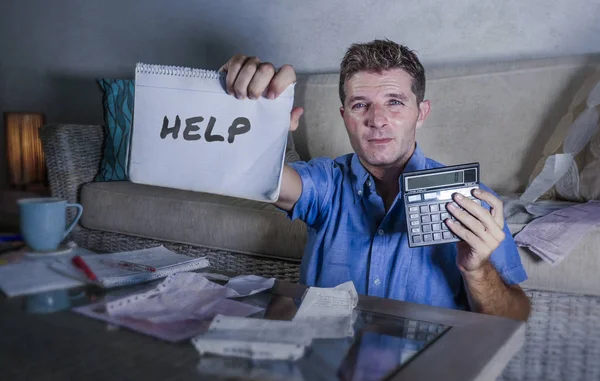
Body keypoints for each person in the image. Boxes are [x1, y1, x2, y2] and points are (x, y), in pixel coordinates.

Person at [220, 39, 531, 321]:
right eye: (360, 104)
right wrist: (236, 109)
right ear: (344, 116)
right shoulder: (327, 182)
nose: (376, 119)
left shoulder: (472, 201)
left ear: (421, 113)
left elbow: (515, 317)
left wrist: (477, 271)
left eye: (394, 102)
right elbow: (265, 178)